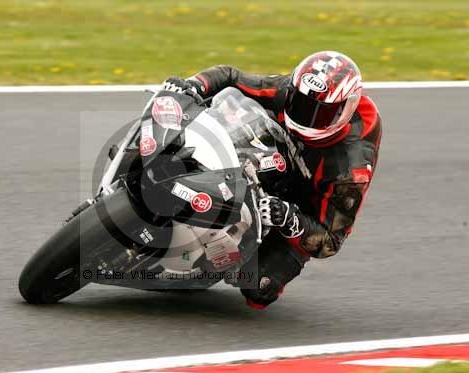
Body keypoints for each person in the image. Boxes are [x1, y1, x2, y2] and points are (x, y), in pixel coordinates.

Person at [162, 51, 382, 309]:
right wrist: (193, 85)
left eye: (320, 113)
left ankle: (218, 256)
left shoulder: (350, 171)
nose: (306, 117)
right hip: (276, 156)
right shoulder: (287, 90)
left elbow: (330, 241)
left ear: (345, 110)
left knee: (257, 285)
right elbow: (231, 77)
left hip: (304, 206)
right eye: (301, 103)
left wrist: (290, 219)